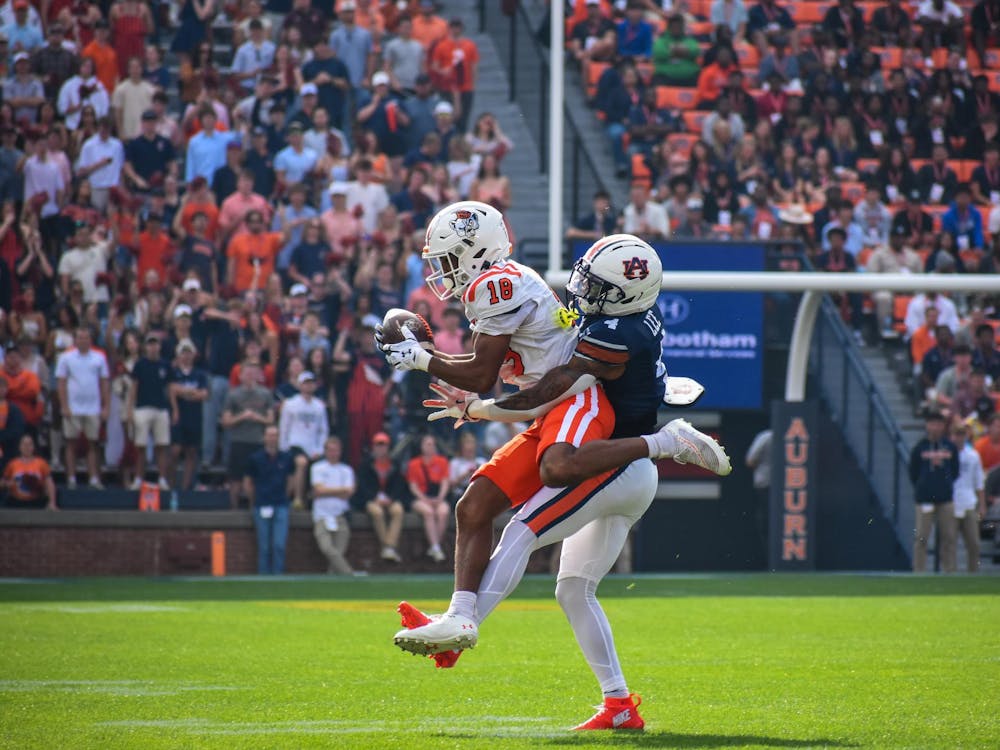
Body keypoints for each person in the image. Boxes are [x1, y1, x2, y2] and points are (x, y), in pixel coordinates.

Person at [383, 223, 728, 726]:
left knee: (526, 523)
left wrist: (449, 382)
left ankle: (461, 623)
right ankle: (618, 705)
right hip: (611, 458)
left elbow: (549, 389)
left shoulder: (615, 332)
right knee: (569, 588)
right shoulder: (619, 315)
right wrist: (479, 392)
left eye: (598, 286)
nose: (582, 289)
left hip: (614, 461)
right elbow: (533, 378)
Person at [55, 326, 109, 489]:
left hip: (93, 408)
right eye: (80, 337)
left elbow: (104, 383)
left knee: (93, 443)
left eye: (86, 338)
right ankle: (71, 478)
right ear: (75, 340)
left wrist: (106, 406)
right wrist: (64, 406)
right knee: (71, 443)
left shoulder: (99, 357)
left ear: (90, 340)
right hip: (73, 408)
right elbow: (61, 383)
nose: (83, 340)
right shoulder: (66, 358)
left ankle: (93, 478)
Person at [909, 411, 959, 573]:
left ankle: (949, 571)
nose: (935, 427)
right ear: (927, 426)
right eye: (932, 424)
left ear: (943, 426)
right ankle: (919, 571)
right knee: (921, 537)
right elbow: (913, 472)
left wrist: (945, 485)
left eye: (939, 424)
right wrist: (923, 486)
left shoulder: (950, 447)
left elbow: (955, 471)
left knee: (948, 537)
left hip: (945, 498)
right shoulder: (920, 447)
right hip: (924, 499)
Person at [222, 361, 275, 509]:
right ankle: (234, 508)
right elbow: (226, 421)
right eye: (247, 373)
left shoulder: (265, 394)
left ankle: (255, 508)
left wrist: (258, 418)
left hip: (258, 441)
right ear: (240, 376)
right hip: (239, 441)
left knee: (257, 478)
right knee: (236, 479)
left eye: (253, 373)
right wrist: (242, 416)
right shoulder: (233, 395)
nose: (250, 376)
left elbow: (271, 420)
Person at [244, 424, 295, 574]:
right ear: (264, 437)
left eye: (275, 435)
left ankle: (278, 576)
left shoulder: (287, 458)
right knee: (264, 546)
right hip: (261, 505)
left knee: (279, 545)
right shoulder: (255, 458)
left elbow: (291, 480)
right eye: (270, 435)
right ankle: (263, 577)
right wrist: (254, 500)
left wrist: (286, 496)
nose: (273, 438)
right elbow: (248, 482)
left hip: (280, 505)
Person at [278, 370, 329, 507]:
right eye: (306, 383)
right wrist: (283, 447)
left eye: (311, 383)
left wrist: (320, 449)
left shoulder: (319, 406)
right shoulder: (290, 404)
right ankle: (298, 498)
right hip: (294, 444)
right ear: (300, 385)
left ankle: (313, 500)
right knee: (301, 463)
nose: (308, 386)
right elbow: (284, 427)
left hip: (313, 446)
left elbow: (323, 430)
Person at [127, 334, 172, 490]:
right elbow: (134, 388)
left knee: (162, 446)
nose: (153, 347)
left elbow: (170, 388)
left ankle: (162, 479)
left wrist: (173, 409)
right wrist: (130, 409)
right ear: (146, 347)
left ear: (159, 346)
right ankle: (138, 479)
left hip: (161, 409)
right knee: (141, 446)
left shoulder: (165, 365)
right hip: (142, 408)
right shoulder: (140, 365)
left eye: (155, 344)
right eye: (150, 344)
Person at [357, 431, 408, 562]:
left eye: (383, 445)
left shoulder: (394, 464)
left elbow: (399, 485)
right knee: (377, 512)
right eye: (378, 445)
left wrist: (391, 499)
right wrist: (374, 498)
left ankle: (388, 546)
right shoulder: (366, 464)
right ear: (373, 447)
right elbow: (362, 486)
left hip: (390, 498)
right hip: (372, 499)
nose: (381, 448)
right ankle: (388, 547)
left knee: (398, 510)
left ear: (388, 447)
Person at [310, 435, 355, 575]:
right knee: (327, 548)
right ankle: (349, 574)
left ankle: (331, 580)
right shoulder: (317, 468)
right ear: (325, 451)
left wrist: (327, 491)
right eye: (330, 450)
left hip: (340, 516)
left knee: (338, 554)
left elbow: (348, 492)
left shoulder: (346, 470)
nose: (333, 453)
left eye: (336, 450)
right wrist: (339, 491)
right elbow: (318, 490)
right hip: (322, 516)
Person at [168, 340, 209, 491]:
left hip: (194, 416)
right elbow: (171, 390)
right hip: (178, 415)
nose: (186, 356)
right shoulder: (173, 372)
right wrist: (191, 392)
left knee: (191, 451)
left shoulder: (199, 374)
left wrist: (183, 392)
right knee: (175, 450)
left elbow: (204, 394)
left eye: (188, 353)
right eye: (183, 353)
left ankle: (185, 488)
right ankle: (170, 485)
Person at [407, 433, 451, 562]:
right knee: (428, 512)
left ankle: (434, 546)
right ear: (421, 446)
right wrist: (424, 499)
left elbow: (445, 482)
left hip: (437, 497)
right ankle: (436, 547)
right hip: (420, 498)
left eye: (432, 444)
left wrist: (440, 497)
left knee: (443, 512)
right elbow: (413, 486)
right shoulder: (414, 464)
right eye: (427, 444)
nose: (430, 447)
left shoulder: (442, 461)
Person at [951, 422, 986, 574]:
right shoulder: (947, 454)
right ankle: (949, 573)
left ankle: (973, 573)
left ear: (965, 436)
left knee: (974, 543)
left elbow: (979, 482)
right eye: (956, 434)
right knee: (949, 542)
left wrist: (982, 505)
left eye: (961, 434)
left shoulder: (973, 455)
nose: (959, 438)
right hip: (950, 502)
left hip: (969, 502)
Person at [1, 434, 56, 509]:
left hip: (36, 501)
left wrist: (52, 502)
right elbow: (3, 482)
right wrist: (8, 484)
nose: (27, 447)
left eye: (30, 444)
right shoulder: (12, 464)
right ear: (20, 447)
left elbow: (49, 483)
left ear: (33, 447)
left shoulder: (42, 463)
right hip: (16, 502)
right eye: (24, 444)